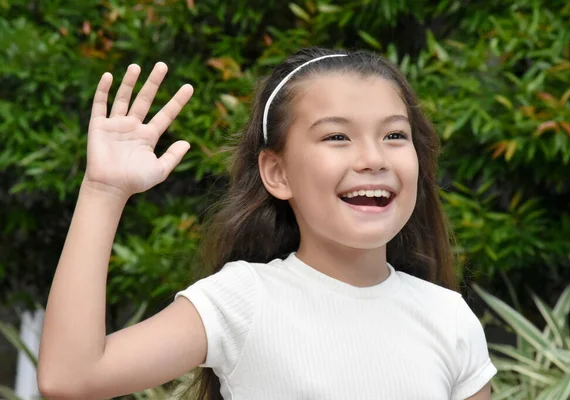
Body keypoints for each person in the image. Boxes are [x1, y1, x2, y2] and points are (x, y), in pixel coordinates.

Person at [37, 47, 497, 400]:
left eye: (394, 135)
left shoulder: (450, 318)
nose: (373, 158)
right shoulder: (244, 300)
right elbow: (71, 377)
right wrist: (103, 191)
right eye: (337, 136)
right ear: (277, 173)